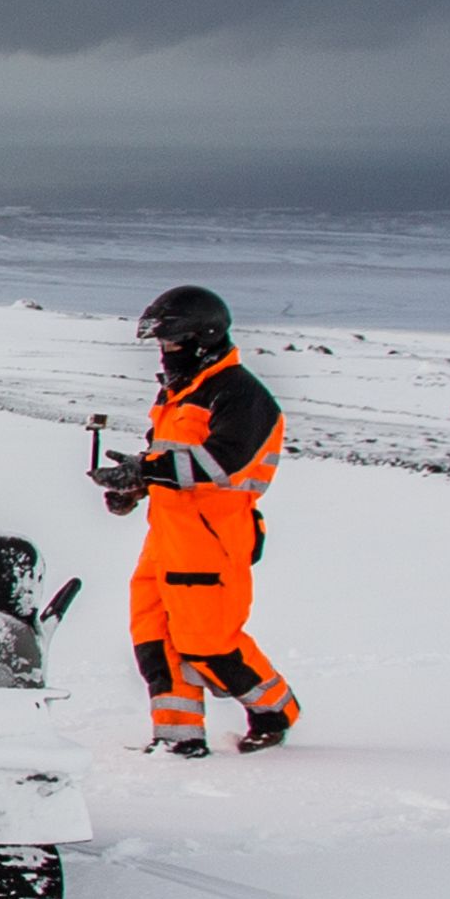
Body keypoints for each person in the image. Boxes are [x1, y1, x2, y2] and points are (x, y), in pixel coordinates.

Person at [103, 284, 297, 756]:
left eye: (171, 342)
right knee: (153, 638)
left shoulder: (240, 394)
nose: (165, 353)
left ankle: (274, 711)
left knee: (208, 643)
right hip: (166, 536)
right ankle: (178, 739)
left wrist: (146, 470)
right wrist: (134, 488)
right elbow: (166, 459)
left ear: (203, 339)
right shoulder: (178, 393)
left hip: (212, 539)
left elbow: (220, 465)